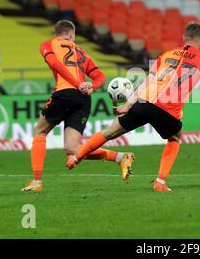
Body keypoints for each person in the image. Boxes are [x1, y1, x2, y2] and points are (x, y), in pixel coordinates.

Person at [66, 22, 200, 192]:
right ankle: (160, 182)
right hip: (167, 110)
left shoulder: (167, 54)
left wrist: (129, 103)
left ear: (184, 38)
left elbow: (148, 81)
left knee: (109, 131)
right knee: (174, 138)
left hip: (144, 102)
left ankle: (76, 157)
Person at [22, 20, 134, 192]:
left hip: (65, 93)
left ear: (57, 33)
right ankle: (121, 157)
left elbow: (54, 64)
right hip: (83, 98)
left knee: (40, 132)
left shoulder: (48, 44)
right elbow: (100, 76)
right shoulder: (81, 51)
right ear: (71, 35)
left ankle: (37, 182)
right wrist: (91, 86)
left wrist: (76, 83)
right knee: (72, 148)